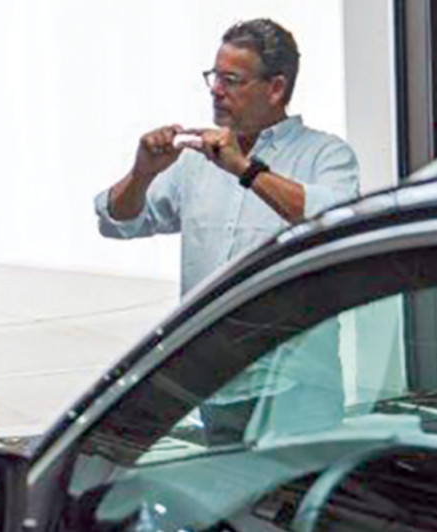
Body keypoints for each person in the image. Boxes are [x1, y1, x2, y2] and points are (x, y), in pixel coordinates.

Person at [94, 19, 359, 444]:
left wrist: (244, 169)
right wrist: (141, 174)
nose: (216, 90)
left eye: (231, 80)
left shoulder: (325, 154)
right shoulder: (196, 161)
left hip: (296, 387)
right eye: (214, 77)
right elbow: (119, 222)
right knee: (227, 489)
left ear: (275, 88)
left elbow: (333, 221)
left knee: (302, 488)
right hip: (216, 384)